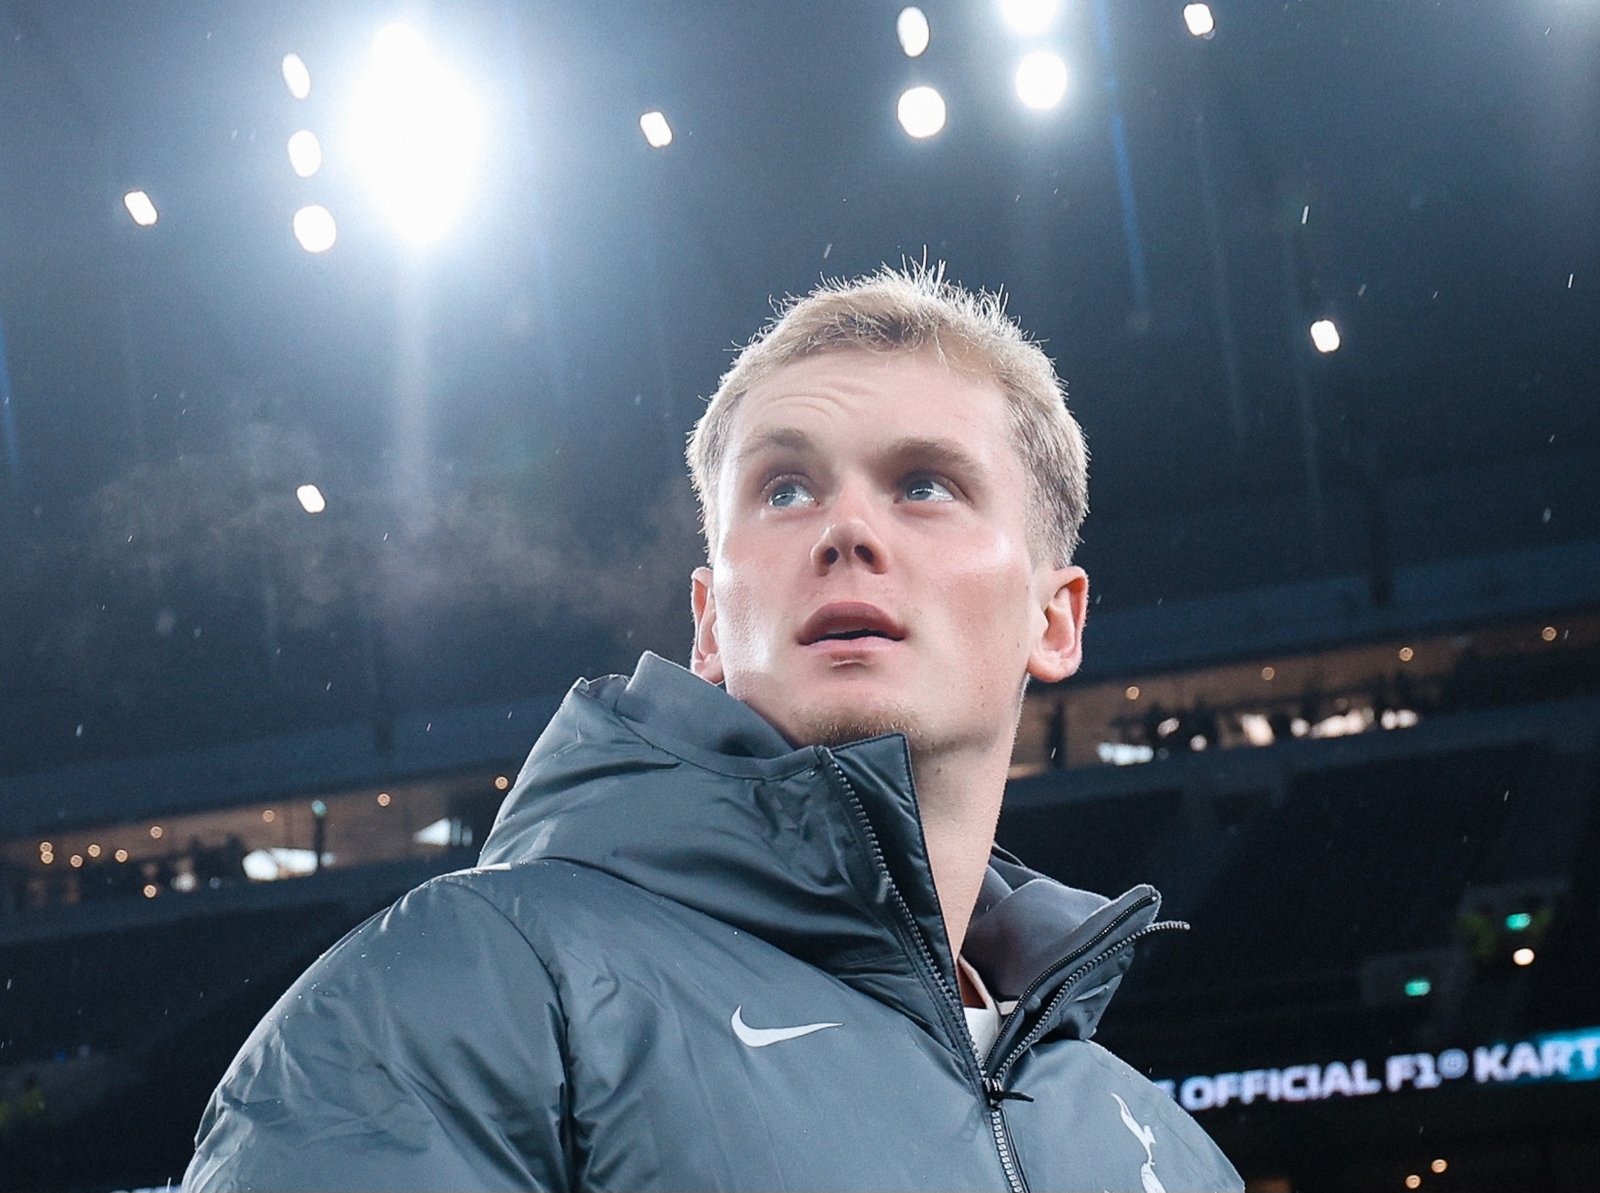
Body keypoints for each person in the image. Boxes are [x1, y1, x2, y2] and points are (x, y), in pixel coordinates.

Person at [186, 265, 1242, 1192]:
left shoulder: (1170, 1155)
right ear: (707, 625)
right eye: (785, 489)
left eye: (924, 484)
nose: (846, 529)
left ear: (1054, 618)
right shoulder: (469, 986)